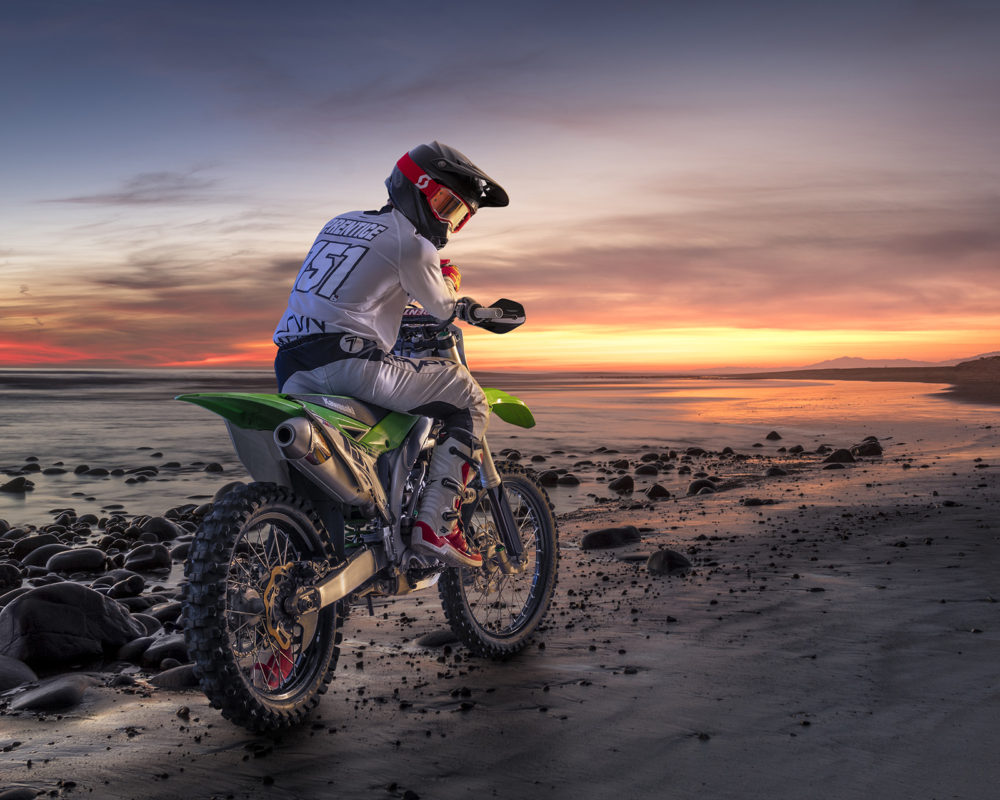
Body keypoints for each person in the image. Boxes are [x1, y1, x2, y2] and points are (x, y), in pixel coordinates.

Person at [272, 142, 509, 569]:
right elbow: (442, 306)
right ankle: (435, 528)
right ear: (414, 186)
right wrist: (451, 282)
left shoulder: (340, 221)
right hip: (351, 365)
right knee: (468, 397)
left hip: (291, 364)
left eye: (458, 213)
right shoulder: (414, 245)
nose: (448, 221)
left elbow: (353, 287)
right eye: (443, 203)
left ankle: (359, 525)